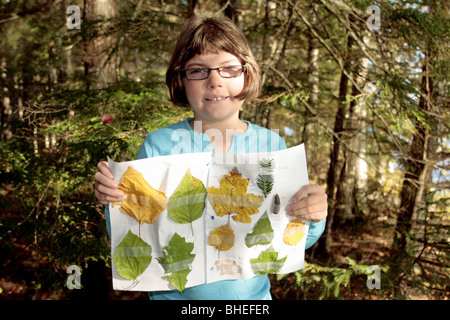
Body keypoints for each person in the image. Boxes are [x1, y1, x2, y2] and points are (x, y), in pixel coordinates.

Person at [94, 16, 327, 300]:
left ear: (248, 75)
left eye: (229, 68)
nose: (214, 81)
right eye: (198, 70)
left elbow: (292, 239)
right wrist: (113, 201)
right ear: (181, 80)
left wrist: (314, 216)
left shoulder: (271, 145)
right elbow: (134, 233)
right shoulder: (160, 145)